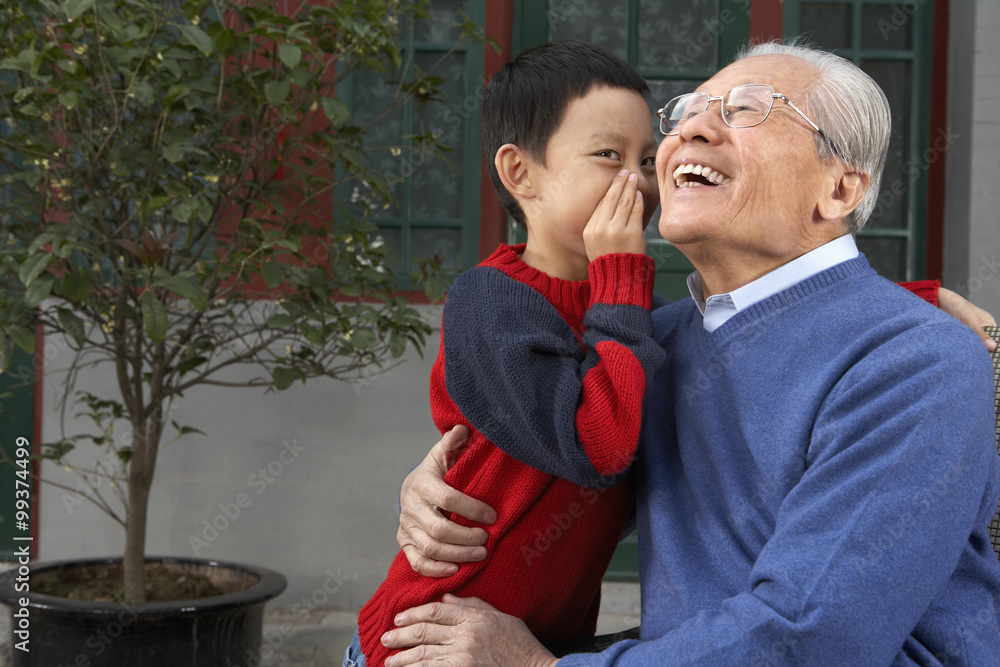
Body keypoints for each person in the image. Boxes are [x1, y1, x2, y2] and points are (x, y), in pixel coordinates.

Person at [378, 42, 1000, 666]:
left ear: (839, 188)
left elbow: (810, 637)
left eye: (748, 109)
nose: (692, 129)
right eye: (690, 111)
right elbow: (574, 462)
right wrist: (444, 490)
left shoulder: (917, 361)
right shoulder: (661, 340)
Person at [345, 40, 669, 667]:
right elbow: (597, 447)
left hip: (534, 648)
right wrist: (623, 276)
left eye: (648, 160)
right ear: (521, 173)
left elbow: (753, 316)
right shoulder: (491, 301)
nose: (638, 181)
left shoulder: (627, 310)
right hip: (428, 642)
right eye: (608, 155)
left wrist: (907, 297)